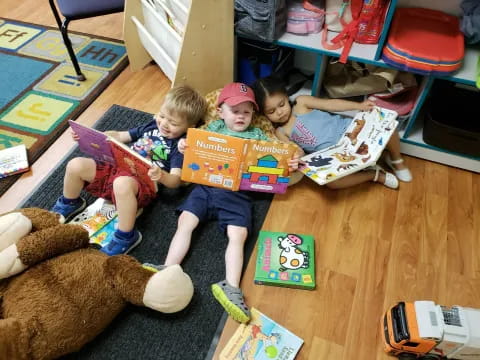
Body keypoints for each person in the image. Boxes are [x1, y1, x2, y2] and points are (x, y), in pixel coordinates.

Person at [161, 82, 299, 324]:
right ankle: (168, 268)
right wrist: (185, 145)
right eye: (235, 110)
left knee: (239, 235)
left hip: (237, 194)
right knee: (186, 221)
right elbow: (193, 144)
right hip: (205, 188)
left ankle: (232, 287)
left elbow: (279, 157)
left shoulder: (258, 135)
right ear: (221, 111)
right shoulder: (212, 127)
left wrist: (289, 163)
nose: (241, 116)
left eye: (246, 112)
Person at [51, 85, 208, 256]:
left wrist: (161, 175)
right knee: (75, 165)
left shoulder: (180, 146)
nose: (164, 124)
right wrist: (93, 135)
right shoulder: (151, 126)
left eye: (173, 123)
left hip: (139, 184)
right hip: (116, 168)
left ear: (190, 126)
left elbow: (176, 181)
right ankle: (69, 203)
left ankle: (126, 236)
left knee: (121, 183)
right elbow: (120, 136)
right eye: (162, 116)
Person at [252, 76, 413, 190]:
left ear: (287, 97)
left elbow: (330, 104)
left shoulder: (301, 102)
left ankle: (396, 160)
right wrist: (298, 156)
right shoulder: (280, 132)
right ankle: (374, 175)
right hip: (332, 155)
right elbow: (294, 150)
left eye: (281, 104)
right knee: (331, 183)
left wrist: (358, 106)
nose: (279, 112)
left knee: (388, 126)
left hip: (350, 132)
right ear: (264, 115)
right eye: (271, 111)